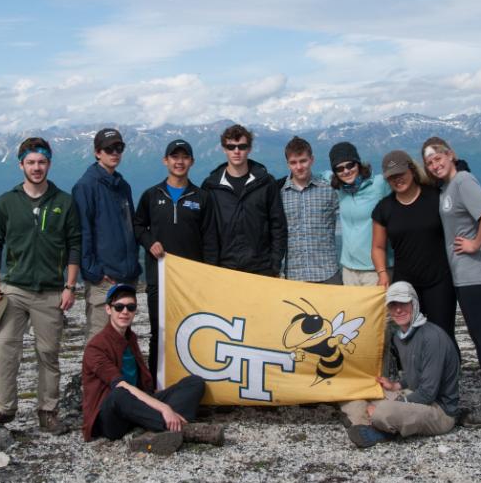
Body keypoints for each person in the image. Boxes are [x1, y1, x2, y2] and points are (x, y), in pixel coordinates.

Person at [0, 137, 81, 435]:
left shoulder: (64, 202)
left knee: (48, 353)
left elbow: (75, 244)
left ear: (49, 163)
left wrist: (70, 286)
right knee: (4, 347)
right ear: (21, 164)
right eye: (31, 162)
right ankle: (3, 407)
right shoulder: (6, 202)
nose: (37, 167)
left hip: (51, 291)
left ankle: (48, 412)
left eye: (42, 162)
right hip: (14, 290)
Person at [422, 136, 481, 429]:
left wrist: (475, 243)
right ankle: (455, 395)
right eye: (430, 162)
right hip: (459, 273)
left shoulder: (463, 181)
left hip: (472, 272)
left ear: (451, 155)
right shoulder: (447, 187)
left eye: (438, 158)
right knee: (470, 335)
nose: (435, 165)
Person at [81, 283, 214, 454]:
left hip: (137, 405)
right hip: (111, 418)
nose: (125, 312)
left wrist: (158, 399)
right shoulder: (96, 346)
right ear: (108, 309)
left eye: (131, 307)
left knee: (194, 382)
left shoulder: (130, 338)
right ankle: (175, 425)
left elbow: (141, 383)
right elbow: (122, 386)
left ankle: (157, 425)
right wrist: (164, 407)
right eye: (119, 307)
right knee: (119, 394)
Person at [133, 139, 216, 385]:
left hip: (193, 281)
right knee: (159, 332)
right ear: (165, 161)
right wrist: (149, 242)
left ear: (191, 162)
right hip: (159, 277)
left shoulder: (202, 197)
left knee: (194, 332)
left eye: (184, 157)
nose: (179, 162)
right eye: (174, 157)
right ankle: (156, 386)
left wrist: (209, 275)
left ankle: (196, 384)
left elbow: (210, 238)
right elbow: (138, 225)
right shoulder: (151, 195)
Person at [345, 281, 460, 448]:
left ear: (414, 303)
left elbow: (428, 394)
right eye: (393, 305)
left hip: (440, 411)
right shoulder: (400, 336)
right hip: (415, 396)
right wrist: (395, 385)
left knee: (383, 411)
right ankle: (371, 423)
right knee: (363, 390)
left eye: (403, 303)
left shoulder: (433, 338)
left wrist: (396, 402)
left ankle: (372, 425)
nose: (398, 310)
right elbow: (415, 373)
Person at [371, 150, 458, 347]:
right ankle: (414, 378)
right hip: (405, 284)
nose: (397, 179)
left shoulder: (436, 198)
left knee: (443, 335)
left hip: (440, 280)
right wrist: (382, 273)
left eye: (400, 173)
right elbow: (377, 247)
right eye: (392, 176)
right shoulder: (384, 208)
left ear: (412, 170)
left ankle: (450, 377)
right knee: (409, 336)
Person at [71, 128, 142, 338]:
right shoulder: (86, 186)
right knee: (100, 339)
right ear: (97, 152)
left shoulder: (123, 186)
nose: (114, 153)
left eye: (119, 148)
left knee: (122, 338)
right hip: (103, 281)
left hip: (127, 276)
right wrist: (94, 273)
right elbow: (82, 232)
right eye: (108, 149)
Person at [202, 124, 287, 276]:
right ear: (224, 149)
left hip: (262, 269)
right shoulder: (211, 186)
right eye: (231, 147)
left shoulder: (266, 183)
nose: (236, 151)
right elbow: (208, 232)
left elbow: (278, 226)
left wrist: (274, 264)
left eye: (241, 146)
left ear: (249, 148)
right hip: (225, 268)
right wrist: (211, 268)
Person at [327, 141, 391, 286]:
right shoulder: (341, 190)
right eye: (340, 168)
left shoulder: (379, 184)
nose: (346, 171)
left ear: (358, 164)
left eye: (350, 165)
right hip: (349, 270)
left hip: (375, 269)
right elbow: (311, 175)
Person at [280, 136, 341, 284]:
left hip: (327, 273)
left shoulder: (329, 189)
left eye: (303, 161)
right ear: (288, 164)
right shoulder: (279, 193)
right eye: (293, 162)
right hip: (294, 276)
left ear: (311, 160)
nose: (299, 167)